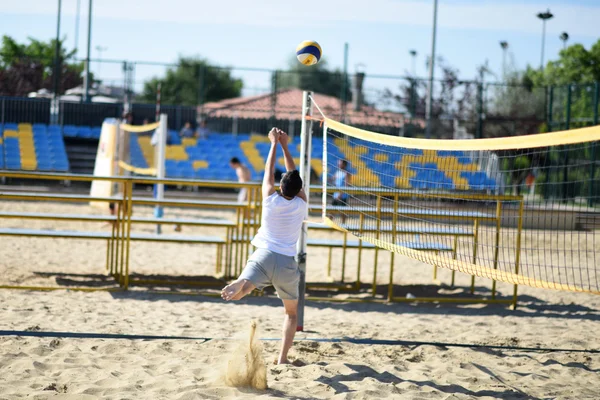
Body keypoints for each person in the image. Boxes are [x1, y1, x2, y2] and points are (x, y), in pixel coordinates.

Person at [221, 128, 306, 365]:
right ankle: (282, 359)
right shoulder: (302, 203)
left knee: (241, 294)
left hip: (264, 255)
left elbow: (268, 172)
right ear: (298, 189)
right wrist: (286, 146)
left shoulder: (270, 198)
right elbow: (293, 174)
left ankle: (242, 283)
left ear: (280, 186)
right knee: (291, 313)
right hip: (287, 261)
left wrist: (273, 144)